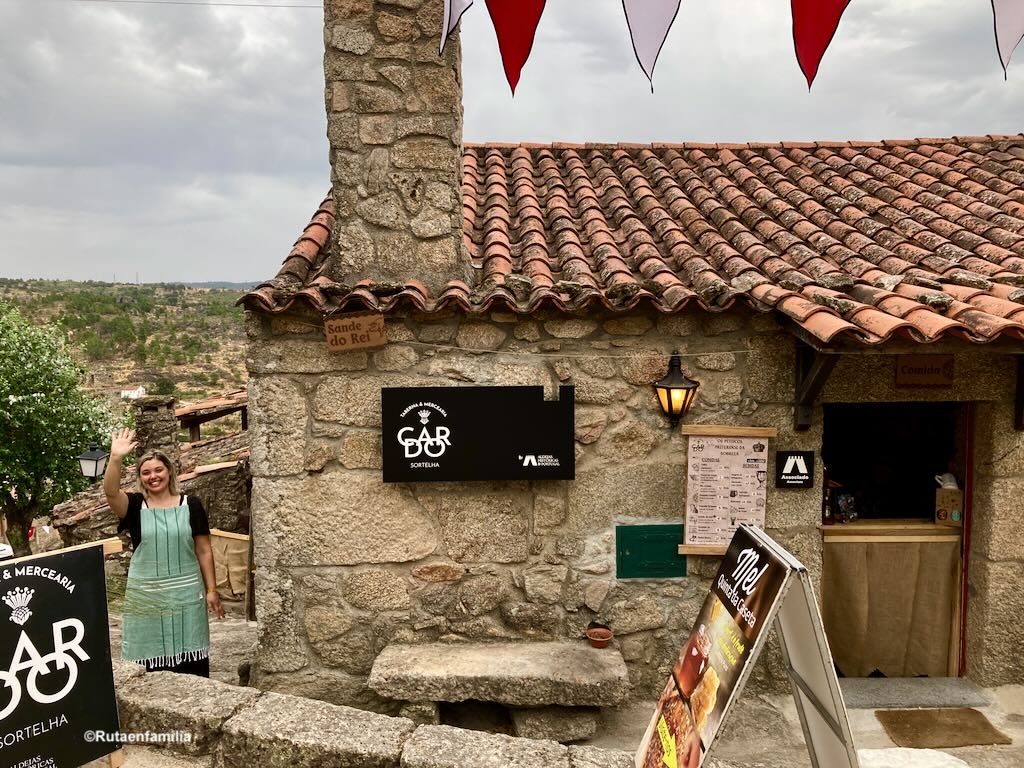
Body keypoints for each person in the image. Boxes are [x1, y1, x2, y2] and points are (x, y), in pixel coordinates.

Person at [103, 427, 224, 676]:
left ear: (169, 471)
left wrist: (212, 590)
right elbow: (110, 491)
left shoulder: (191, 505)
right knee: (149, 662)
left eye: (158, 470)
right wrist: (115, 458)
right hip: (146, 596)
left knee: (190, 660)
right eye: (146, 472)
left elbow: (204, 550)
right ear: (140, 477)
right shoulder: (135, 506)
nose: (153, 476)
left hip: (186, 595)